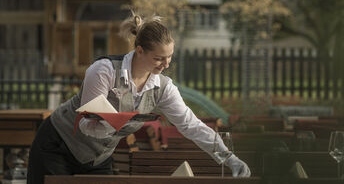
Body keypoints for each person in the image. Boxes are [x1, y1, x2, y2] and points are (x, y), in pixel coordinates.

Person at [27, 14, 251, 183]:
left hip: (97, 157)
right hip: (57, 144)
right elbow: (86, 124)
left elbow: (191, 125)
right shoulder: (104, 70)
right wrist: (112, 123)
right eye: (158, 58)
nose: (166, 65)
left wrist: (228, 157)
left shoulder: (163, 88)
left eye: (170, 57)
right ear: (139, 51)